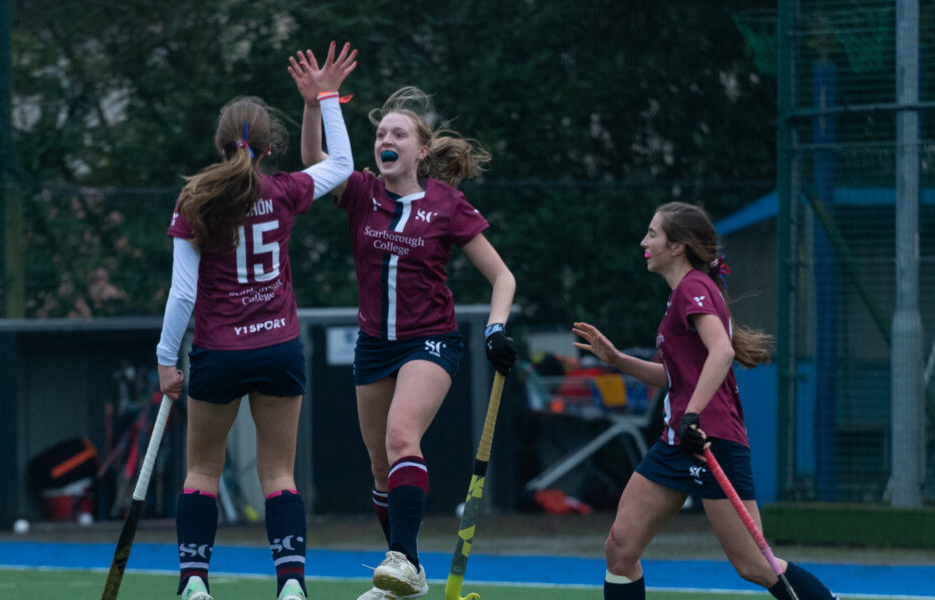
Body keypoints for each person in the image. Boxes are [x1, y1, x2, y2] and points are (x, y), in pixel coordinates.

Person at [295, 83, 517, 600]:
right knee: (380, 464)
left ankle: (398, 558)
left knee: (401, 439)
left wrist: (495, 327)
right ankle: (410, 572)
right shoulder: (362, 192)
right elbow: (313, 159)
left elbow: (503, 278)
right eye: (379, 133)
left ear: (420, 150)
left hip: (430, 341)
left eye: (398, 133)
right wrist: (313, 105)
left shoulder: (448, 205)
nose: (385, 140)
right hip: (374, 344)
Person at [156, 42, 356, 600]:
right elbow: (341, 165)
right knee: (278, 474)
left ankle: (195, 583)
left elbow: (182, 294)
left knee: (201, 470)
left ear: (220, 144)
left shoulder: (195, 200)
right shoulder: (286, 189)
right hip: (279, 349)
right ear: (269, 148)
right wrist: (327, 98)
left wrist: (164, 359)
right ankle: (291, 585)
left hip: (217, 353)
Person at [572, 201, 838, 600]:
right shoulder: (681, 294)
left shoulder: (693, 288)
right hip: (676, 443)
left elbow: (722, 352)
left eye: (653, 234)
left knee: (754, 564)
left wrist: (692, 415)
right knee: (620, 548)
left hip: (709, 439)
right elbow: (672, 377)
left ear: (677, 246)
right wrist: (616, 360)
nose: (644, 242)